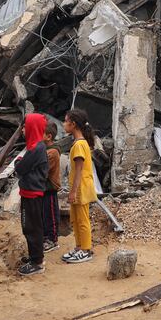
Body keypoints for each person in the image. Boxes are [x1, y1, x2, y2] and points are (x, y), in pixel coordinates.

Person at [61, 109, 97, 264]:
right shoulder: (78, 143)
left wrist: (73, 192)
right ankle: (79, 246)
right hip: (78, 188)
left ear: (73, 124)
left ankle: (86, 249)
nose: (63, 124)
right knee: (75, 219)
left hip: (81, 188)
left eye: (65, 121)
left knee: (82, 220)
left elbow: (79, 170)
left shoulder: (79, 145)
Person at [15, 113, 49, 276]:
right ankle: (35, 256)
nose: (23, 130)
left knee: (31, 227)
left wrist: (18, 161)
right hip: (31, 192)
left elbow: (20, 168)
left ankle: (37, 262)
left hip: (32, 193)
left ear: (32, 128)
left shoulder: (36, 148)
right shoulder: (36, 147)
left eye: (25, 126)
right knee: (30, 226)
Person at [42, 122, 61, 253]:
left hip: (50, 188)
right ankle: (46, 238)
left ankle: (53, 240)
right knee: (44, 215)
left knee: (51, 215)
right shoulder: (45, 150)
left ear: (48, 136)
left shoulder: (52, 152)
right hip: (43, 188)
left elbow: (43, 169)